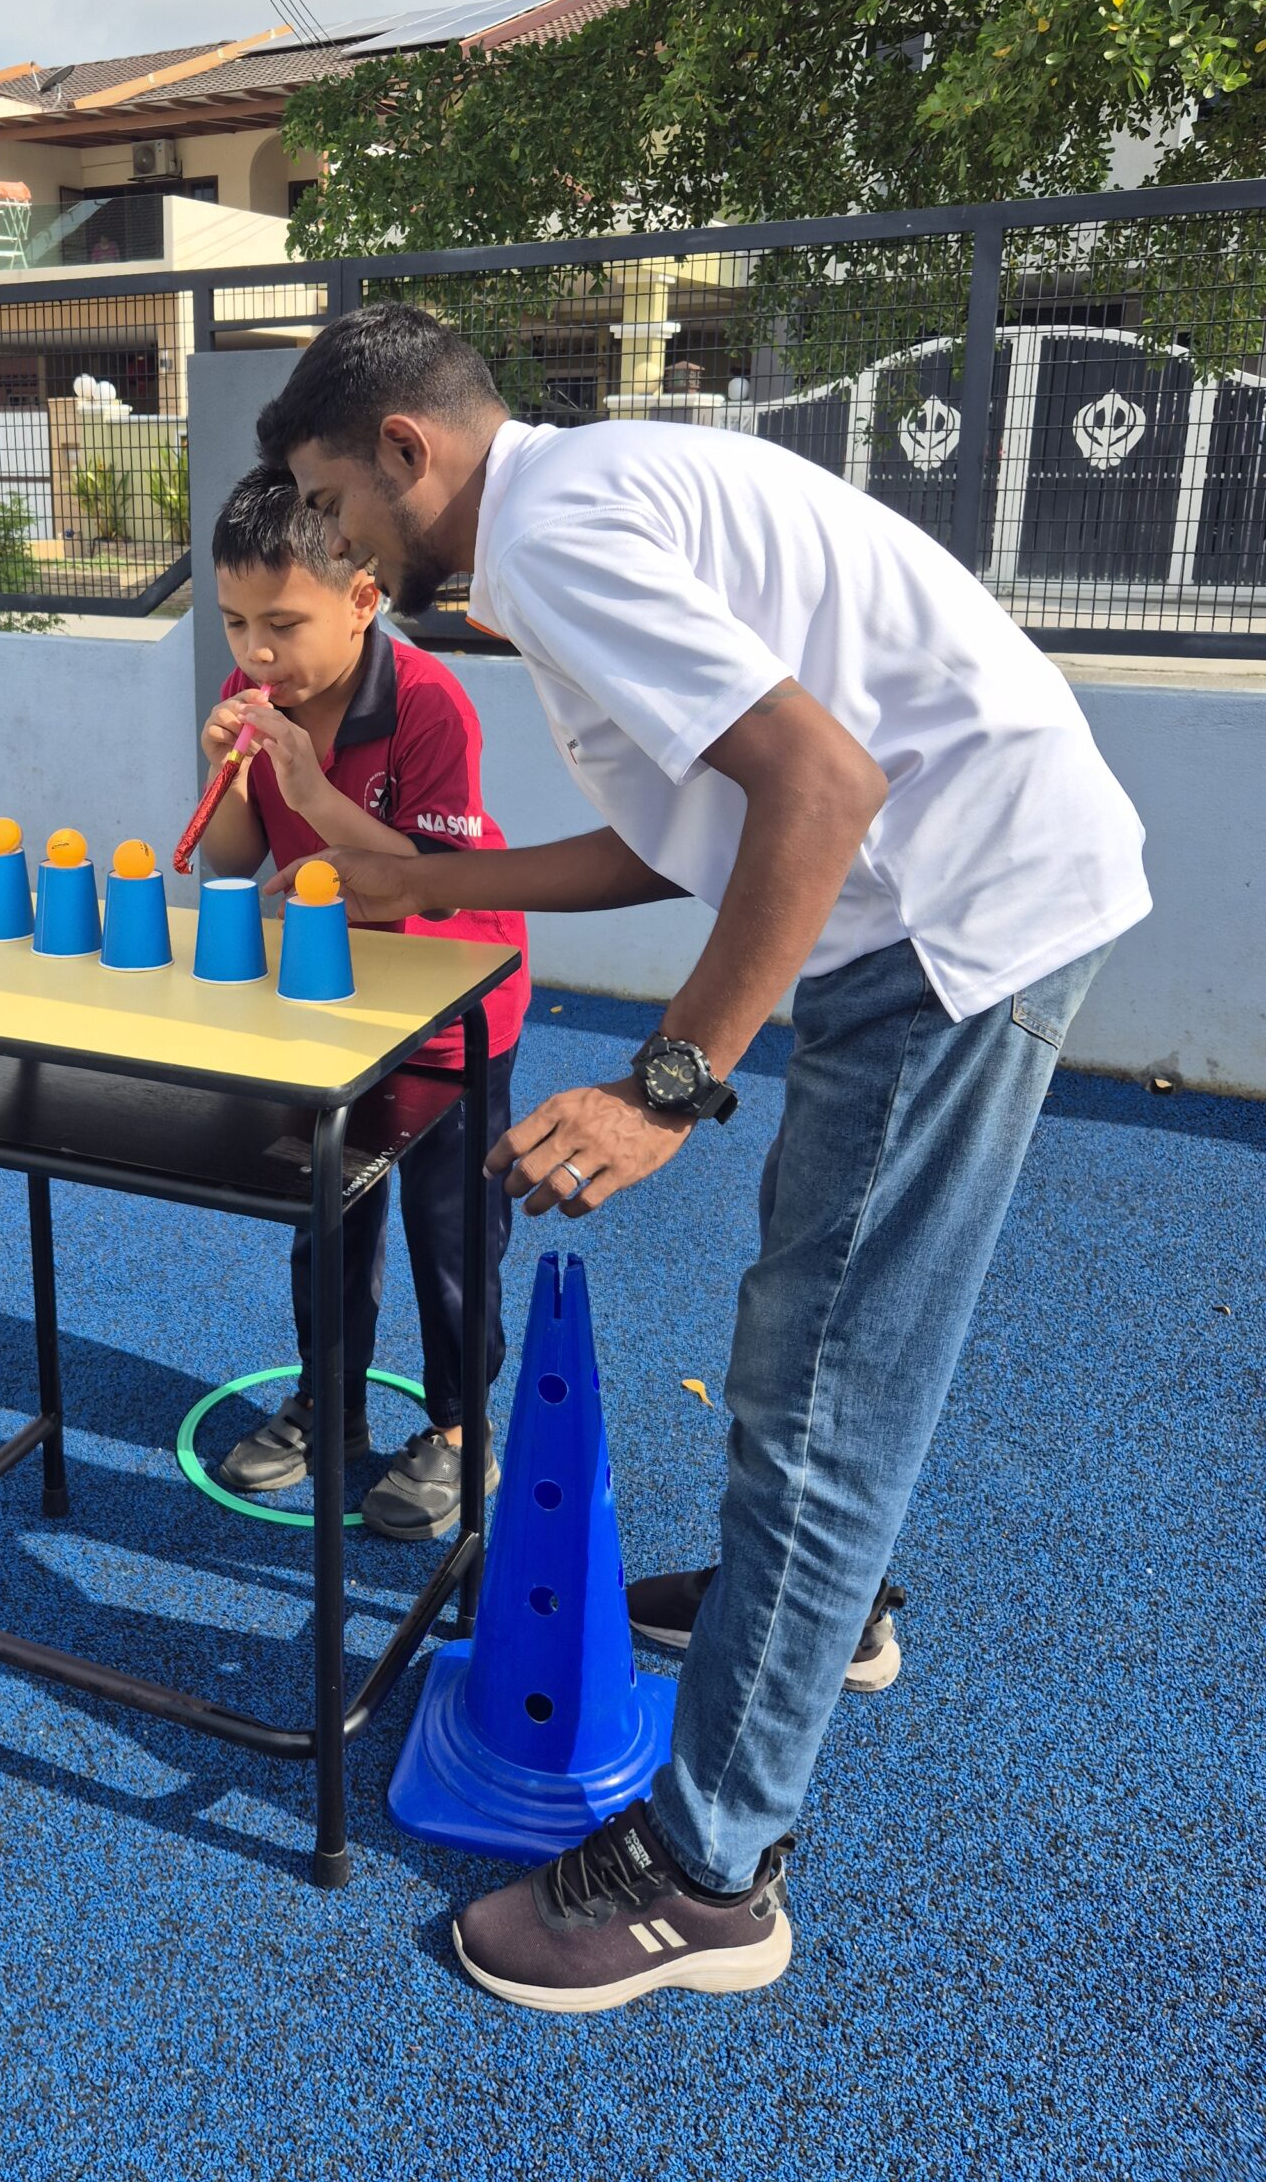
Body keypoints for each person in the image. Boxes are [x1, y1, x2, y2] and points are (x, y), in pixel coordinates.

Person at [256, 304, 1150, 2012]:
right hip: (959, 883)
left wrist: (667, 1087)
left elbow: (818, 785)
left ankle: (709, 1873)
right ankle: (820, 1604)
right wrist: (432, 880)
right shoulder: (578, 507)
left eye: (338, 504)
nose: (339, 544)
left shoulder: (555, 535)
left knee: (818, 1385)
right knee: (816, 1337)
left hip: (951, 919)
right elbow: (699, 830)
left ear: (405, 450)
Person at [200, 466, 530, 1540]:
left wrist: (309, 790)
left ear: (362, 598)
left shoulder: (429, 703)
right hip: (331, 1001)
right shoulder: (255, 698)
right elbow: (232, 862)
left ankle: (459, 1428)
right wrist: (233, 778)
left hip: (453, 1007)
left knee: (452, 1232)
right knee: (328, 1216)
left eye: (282, 624)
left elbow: (437, 879)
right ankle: (328, 1402)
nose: (256, 653)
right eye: (236, 622)